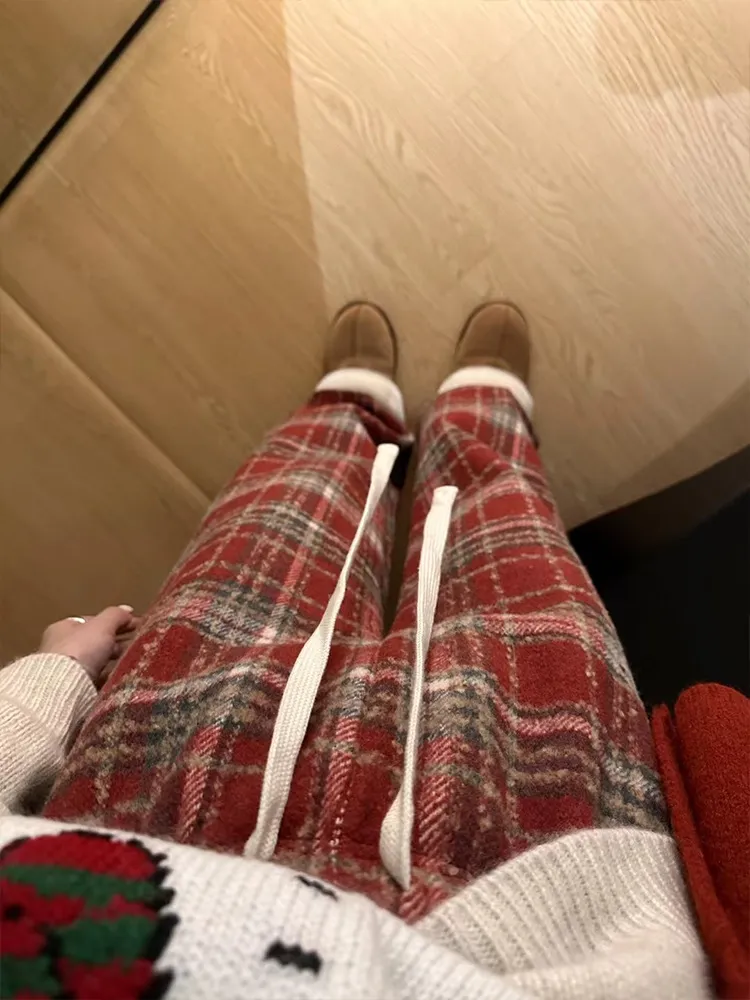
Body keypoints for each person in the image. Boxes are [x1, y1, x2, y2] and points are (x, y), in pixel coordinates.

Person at [0, 303, 709, 999]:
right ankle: (481, 417)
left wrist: (50, 681)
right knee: (508, 523)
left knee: (276, 512)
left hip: (139, 813)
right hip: (546, 895)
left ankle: (348, 412)